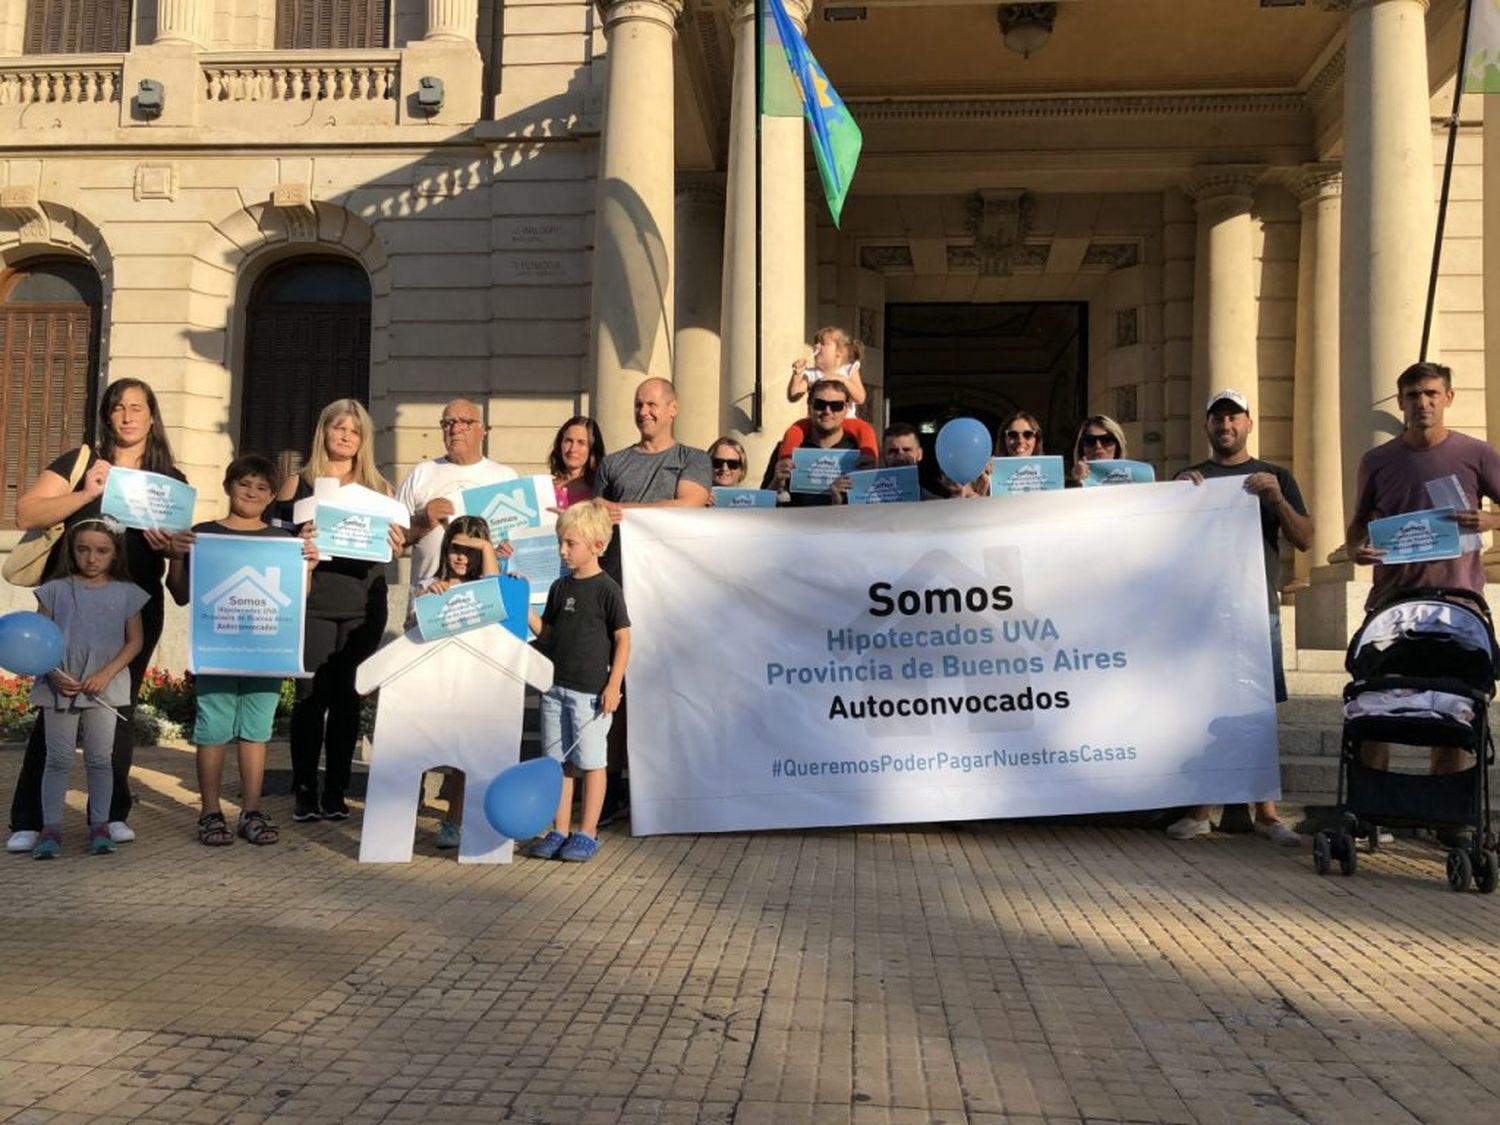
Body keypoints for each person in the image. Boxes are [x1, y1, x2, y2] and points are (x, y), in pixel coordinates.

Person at [7, 378, 182, 854]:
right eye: (118, 408)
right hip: (71, 603)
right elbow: (27, 513)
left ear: (151, 417)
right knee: (55, 707)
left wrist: (175, 550)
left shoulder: (171, 481)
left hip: (132, 608)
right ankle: (29, 818)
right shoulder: (83, 462)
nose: (127, 416)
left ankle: (110, 815)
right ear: (107, 416)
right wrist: (87, 493)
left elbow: (177, 563)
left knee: (117, 710)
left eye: (137, 408)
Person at [1345, 360, 1500, 793]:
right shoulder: (1377, 460)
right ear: (1400, 402)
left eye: (1432, 394)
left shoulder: (1477, 453)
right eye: (1413, 396)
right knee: (1375, 704)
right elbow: (1359, 522)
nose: (1423, 403)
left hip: (1458, 608)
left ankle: (1445, 811)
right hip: (1392, 607)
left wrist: (1489, 520)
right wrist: (1359, 548)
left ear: (1448, 398)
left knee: (1452, 709)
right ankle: (1372, 805)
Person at [1167, 389, 1313, 845]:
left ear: (1249, 423)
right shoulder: (1192, 478)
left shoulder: (1277, 476)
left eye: (1234, 417)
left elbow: (1306, 538)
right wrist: (1178, 500)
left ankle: (1267, 813)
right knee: (1205, 707)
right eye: (1217, 418)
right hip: (1205, 614)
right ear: (1207, 426)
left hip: (1257, 611)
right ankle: (1201, 810)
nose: (1225, 425)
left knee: (1258, 710)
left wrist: (1276, 500)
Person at [166, 455, 318, 847]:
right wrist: (177, 555)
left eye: (262, 487)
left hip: (266, 654)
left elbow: (295, 602)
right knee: (213, 730)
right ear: (228, 486)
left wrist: (309, 568)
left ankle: (251, 810)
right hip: (217, 652)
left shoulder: (284, 543)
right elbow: (181, 594)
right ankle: (210, 812)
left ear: (271, 496)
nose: (252, 493)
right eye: (244, 484)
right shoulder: (202, 533)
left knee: (256, 732)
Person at [592, 377, 711, 823]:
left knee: (669, 692)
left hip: (672, 599)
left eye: (654, 405)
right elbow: (593, 520)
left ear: (673, 408)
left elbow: (691, 505)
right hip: (616, 594)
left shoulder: (692, 459)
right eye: (639, 404)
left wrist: (626, 514)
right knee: (615, 693)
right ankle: (613, 788)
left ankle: (671, 787)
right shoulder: (614, 463)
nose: (645, 412)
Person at [277, 400, 402, 823]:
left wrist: (397, 541)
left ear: (364, 440)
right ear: (324, 432)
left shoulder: (379, 488)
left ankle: (336, 791)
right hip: (313, 601)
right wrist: (299, 534)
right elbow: (276, 539)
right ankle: (305, 789)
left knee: (348, 699)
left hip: (362, 603)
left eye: (355, 431)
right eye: (339, 428)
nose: (346, 436)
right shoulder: (299, 483)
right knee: (311, 698)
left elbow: (396, 547)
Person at [28, 519, 148, 859]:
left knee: (99, 759)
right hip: (60, 685)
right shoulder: (54, 590)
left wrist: (106, 674)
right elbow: (38, 637)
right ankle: (50, 829)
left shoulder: (127, 593)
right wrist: (52, 673)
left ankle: (100, 826)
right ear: (72, 551)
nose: (91, 558)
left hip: (103, 688)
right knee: (58, 758)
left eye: (101, 551)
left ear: (114, 555)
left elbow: (135, 641)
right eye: (83, 549)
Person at [525, 500, 631, 863]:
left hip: (590, 695)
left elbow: (623, 637)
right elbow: (548, 634)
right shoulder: (558, 587)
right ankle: (559, 829)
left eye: (571, 543)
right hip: (555, 688)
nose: (562, 550)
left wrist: (613, 684)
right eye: (560, 542)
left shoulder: (607, 589)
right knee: (557, 763)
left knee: (591, 762)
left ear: (598, 545)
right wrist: (525, 609)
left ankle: (588, 832)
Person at [410, 516, 501, 849]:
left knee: (464, 758)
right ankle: (407, 809)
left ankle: (453, 821)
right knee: (419, 750)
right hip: (433, 684)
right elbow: (411, 627)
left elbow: (493, 582)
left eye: (471, 550)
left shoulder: (485, 589)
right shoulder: (429, 584)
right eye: (455, 549)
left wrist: (485, 548)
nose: (462, 557)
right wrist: (428, 599)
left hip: (472, 685)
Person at [395, 398, 517, 602]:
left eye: (465, 422)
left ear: (483, 430)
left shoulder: (505, 477)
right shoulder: (422, 473)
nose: (455, 429)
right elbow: (394, 543)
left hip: (484, 602)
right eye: (448, 423)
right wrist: (424, 520)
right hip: (429, 601)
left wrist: (503, 550)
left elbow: (518, 543)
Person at [766, 379, 876, 507]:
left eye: (836, 406)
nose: (827, 411)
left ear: (846, 408)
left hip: (843, 525)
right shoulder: (786, 449)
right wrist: (776, 482)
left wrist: (840, 503)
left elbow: (874, 505)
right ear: (809, 405)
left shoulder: (862, 452)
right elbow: (762, 506)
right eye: (820, 404)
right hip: (795, 525)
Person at [549, 416, 605, 511]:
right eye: (568, 441)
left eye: (581, 442)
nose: (572, 449)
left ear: (592, 449)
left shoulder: (600, 491)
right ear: (560, 444)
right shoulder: (545, 488)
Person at [1068, 414, 1129, 486]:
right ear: (1082, 448)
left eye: (1106, 440)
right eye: (1090, 440)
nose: (1098, 446)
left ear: (1118, 447)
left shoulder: (1133, 481)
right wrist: (1076, 483)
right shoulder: (1066, 486)